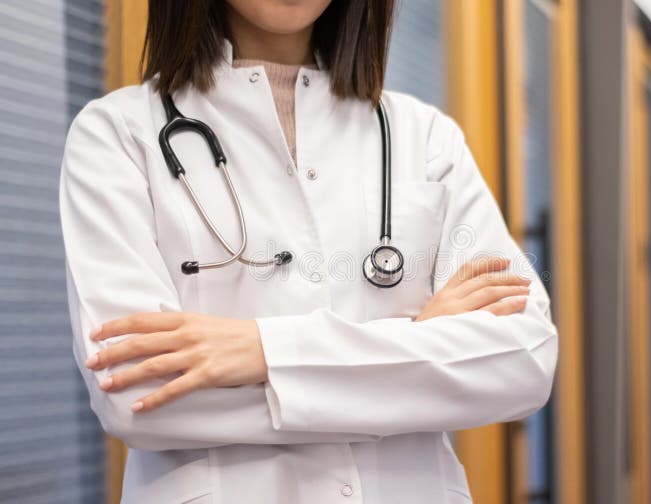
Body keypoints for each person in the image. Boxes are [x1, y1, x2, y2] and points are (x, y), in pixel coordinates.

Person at [59, 1, 558, 502]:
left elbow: (523, 358)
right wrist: (418, 345)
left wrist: (260, 351)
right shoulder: (117, 136)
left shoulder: (424, 138)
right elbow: (138, 392)